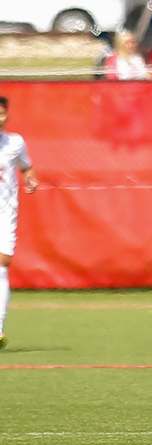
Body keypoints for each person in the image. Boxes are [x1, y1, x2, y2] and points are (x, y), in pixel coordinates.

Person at [0, 96, 39, 349]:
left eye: (2, 113)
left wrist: (30, 180)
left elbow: (27, 167)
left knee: (2, 267)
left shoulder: (15, 142)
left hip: (5, 213)